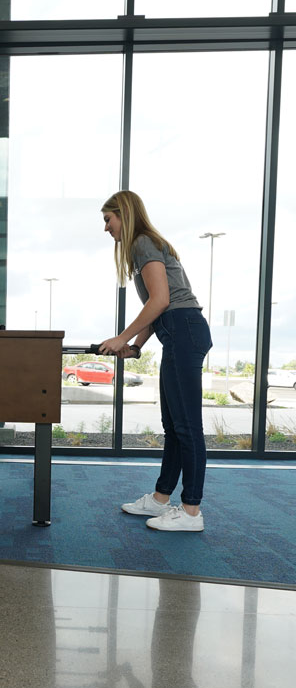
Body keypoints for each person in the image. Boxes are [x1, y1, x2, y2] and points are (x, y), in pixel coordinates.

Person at [99, 190, 212, 532]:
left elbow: (161, 300)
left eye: (108, 219)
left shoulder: (142, 243)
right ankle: (162, 498)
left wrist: (121, 337)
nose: (106, 228)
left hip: (183, 329)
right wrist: (135, 344)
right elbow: (159, 306)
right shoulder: (144, 246)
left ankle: (191, 512)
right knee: (174, 427)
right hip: (176, 331)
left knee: (188, 427)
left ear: (125, 214)